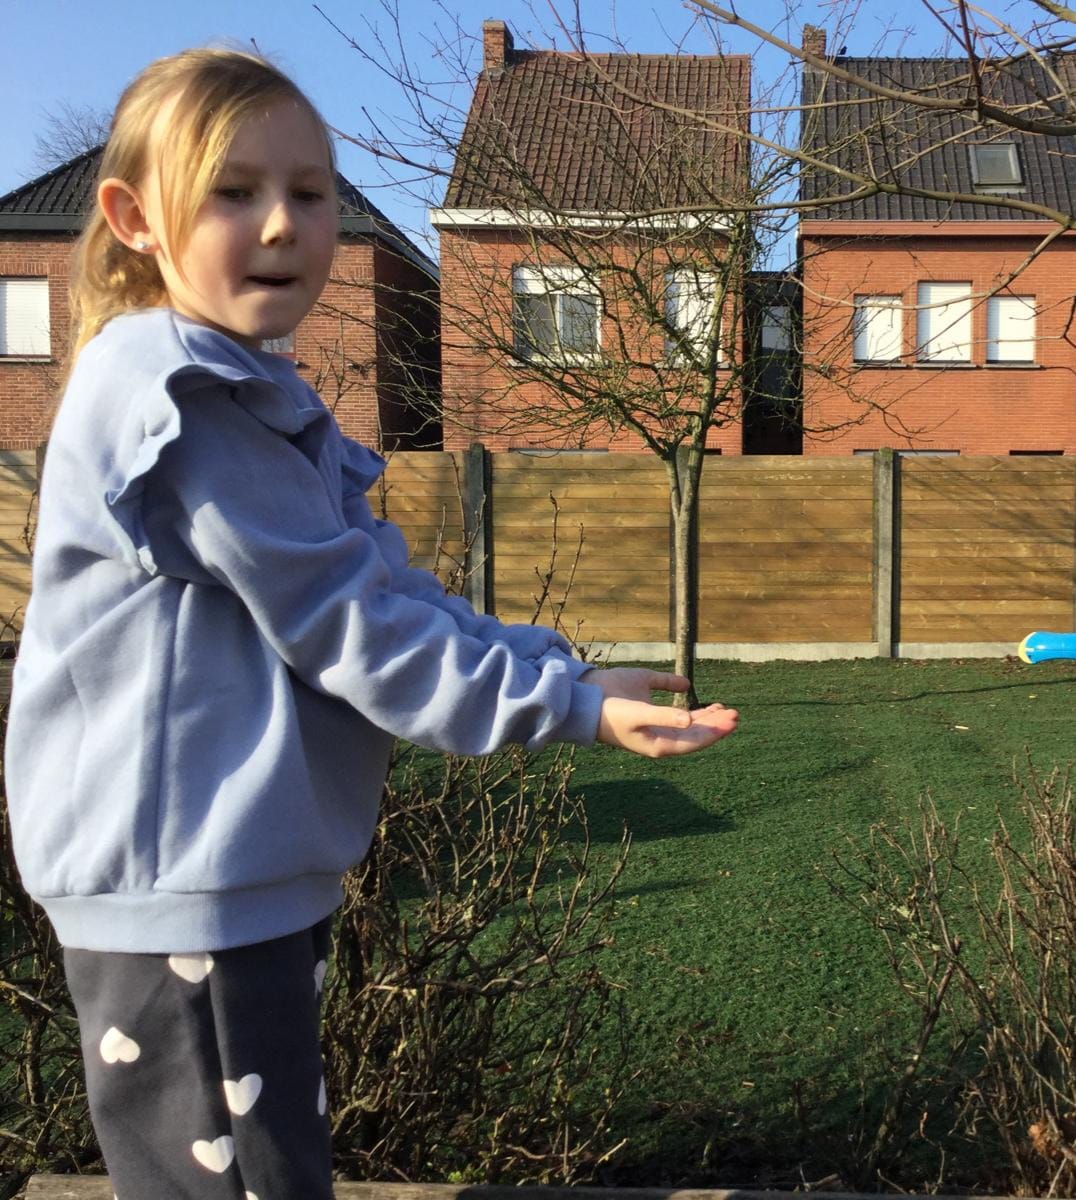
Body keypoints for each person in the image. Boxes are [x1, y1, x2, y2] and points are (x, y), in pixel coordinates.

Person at [4, 47, 739, 1200]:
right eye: (233, 191)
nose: (282, 223)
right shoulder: (183, 405)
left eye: (309, 192)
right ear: (135, 219)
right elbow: (353, 629)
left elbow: (381, 589)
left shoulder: (239, 390)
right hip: (184, 893)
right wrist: (568, 710)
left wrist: (564, 675)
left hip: (223, 877)